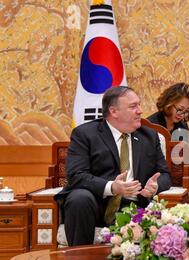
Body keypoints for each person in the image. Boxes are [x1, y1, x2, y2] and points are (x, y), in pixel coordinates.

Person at [56, 86, 171, 246]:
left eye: (139, 105)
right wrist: (112, 187)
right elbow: (76, 175)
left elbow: (165, 175)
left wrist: (155, 186)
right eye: (133, 106)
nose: (140, 111)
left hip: (135, 206)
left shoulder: (149, 137)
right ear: (114, 111)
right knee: (78, 198)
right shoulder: (85, 134)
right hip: (96, 204)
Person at [147, 82, 189, 202]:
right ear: (168, 104)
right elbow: (150, 161)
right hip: (157, 175)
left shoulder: (182, 125)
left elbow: (184, 154)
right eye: (180, 109)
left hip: (177, 174)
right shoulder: (151, 125)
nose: (182, 115)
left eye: (187, 111)